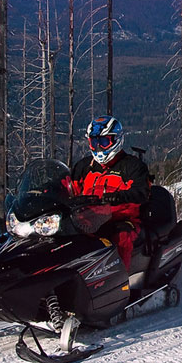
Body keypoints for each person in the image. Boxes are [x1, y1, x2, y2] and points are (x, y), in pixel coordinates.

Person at [70, 115, 150, 271]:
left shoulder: (132, 166)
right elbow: (69, 188)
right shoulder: (84, 166)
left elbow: (141, 193)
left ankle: (120, 286)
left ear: (116, 140)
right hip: (87, 218)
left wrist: (118, 197)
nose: (99, 147)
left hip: (119, 219)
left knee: (121, 238)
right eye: (95, 142)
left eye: (104, 142)